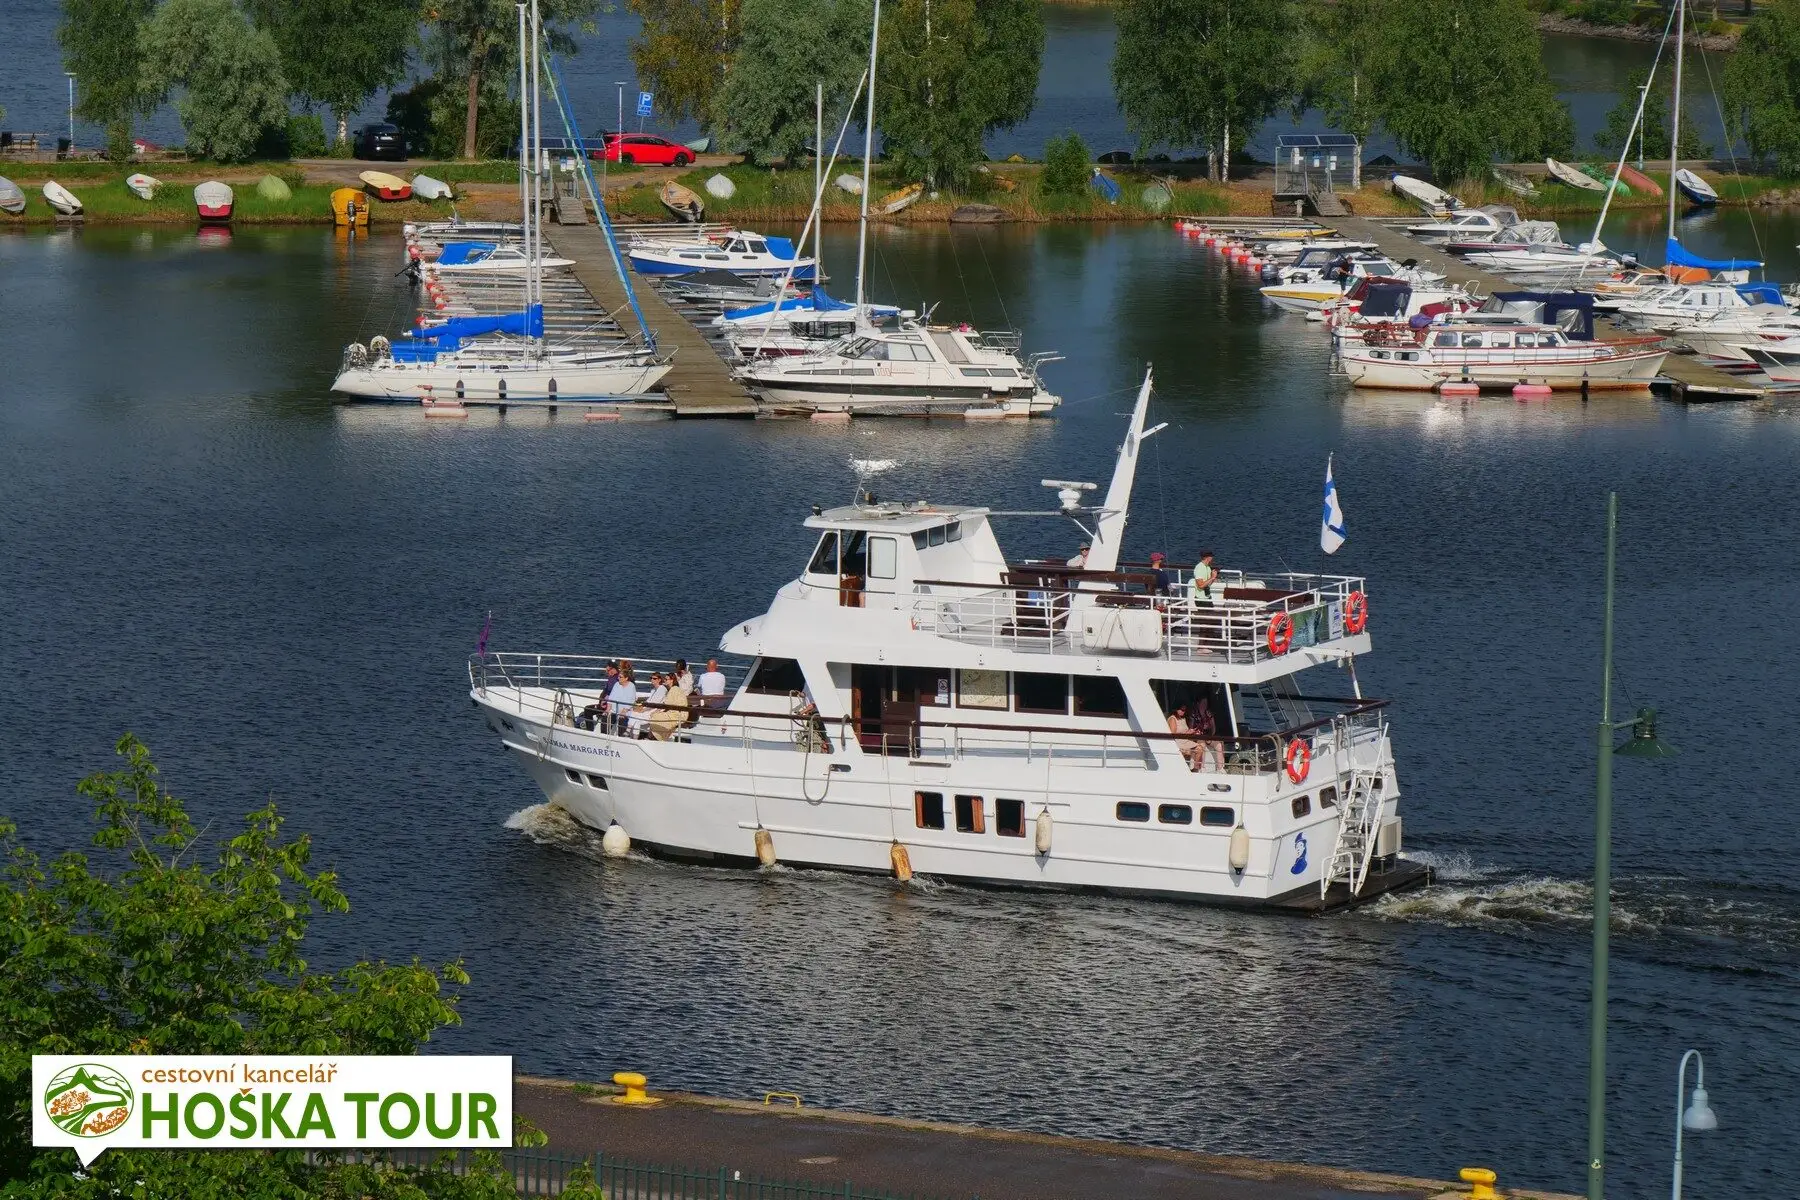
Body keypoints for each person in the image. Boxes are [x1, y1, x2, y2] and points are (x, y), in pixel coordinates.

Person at [578, 663, 619, 730]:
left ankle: (589, 730)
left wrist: (604, 702)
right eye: (606, 670)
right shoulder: (612, 678)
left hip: (607, 706)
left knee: (587, 709)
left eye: (608, 670)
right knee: (588, 709)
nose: (607, 672)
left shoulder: (615, 680)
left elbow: (613, 694)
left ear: (614, 669)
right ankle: (590, 729)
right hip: (604, 704)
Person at [650, 676, 690, 741]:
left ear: (672, 680)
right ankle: (654, 737)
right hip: (677, 711)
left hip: (678, 714)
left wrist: (656, 711)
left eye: (666, 679)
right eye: (664, 679)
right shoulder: (673, 689)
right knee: (656, 715)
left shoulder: (674, 689)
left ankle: (655, 738)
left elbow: (666, 704)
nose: (664, 680)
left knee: (655, 716)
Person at [606, 663, 638, 734]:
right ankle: (604, 736)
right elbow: (611, 698)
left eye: (620, 677)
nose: (618, 678)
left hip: (625, 711)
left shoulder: (631, 686)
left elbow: (630, 701)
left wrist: (623, 712)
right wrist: (608, 709)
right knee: (605, 718)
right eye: (618, 677)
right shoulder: (616, 684)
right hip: (613, 710)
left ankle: (622, 737)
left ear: (626, 678)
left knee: (622, 720)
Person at [1192, 700, 1224, 772]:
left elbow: (1213, 729)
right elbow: (1191, 728)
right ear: (1198, 703)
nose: (1204, 705)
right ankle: (1202, 768)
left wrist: (1211, 720)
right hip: (1199, 737)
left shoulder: (1209, 714)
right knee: (1202, 745)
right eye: (1203, 703)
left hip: (1208, 736)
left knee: (1219, 745)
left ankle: (1220, 769)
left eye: (1206, 703)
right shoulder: (1194, 714)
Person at [1167, 703, 1198, 768]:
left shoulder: (1183, 718)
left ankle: (1195, 770)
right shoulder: (1173, 719)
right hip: (1178, 742)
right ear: (1176, 709)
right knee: (1190, 751)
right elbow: (1173, 735)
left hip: (1185, 740)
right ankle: (1182, 768)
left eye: (1184, 710)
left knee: (1200, 748)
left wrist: (1192, 732)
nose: (1183, 712)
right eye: (1182, 710)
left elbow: (1185, 731)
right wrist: (1187, 733)